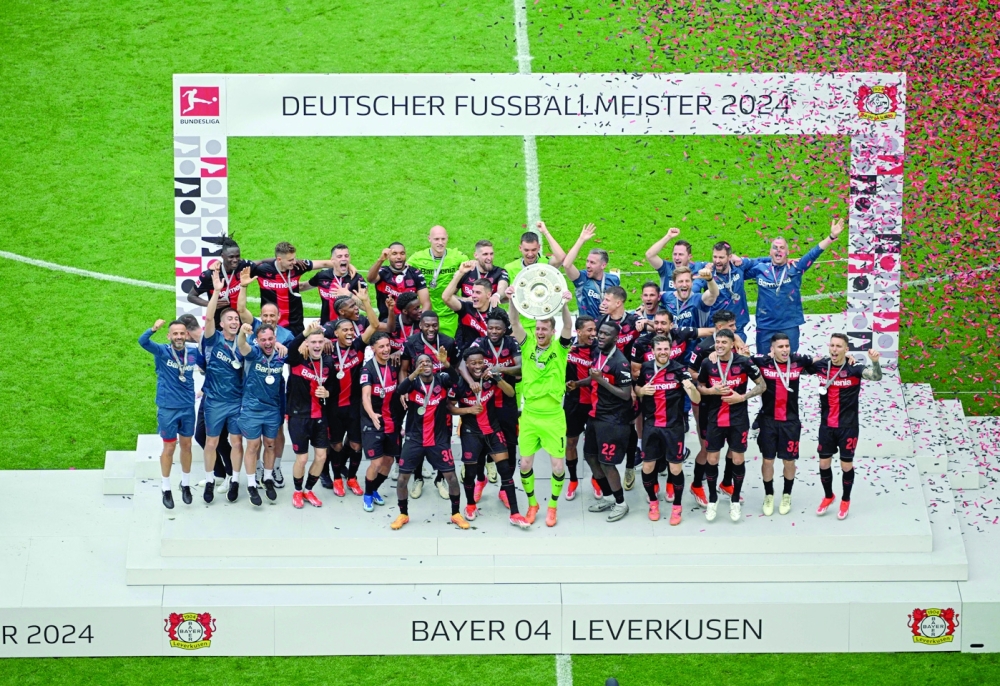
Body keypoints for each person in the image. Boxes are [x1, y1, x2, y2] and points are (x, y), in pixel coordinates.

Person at [507, 286, 574, 527]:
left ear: (552, 331)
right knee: (525, 464)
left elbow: (568, 326)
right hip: (530, 415)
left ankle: (553, 507)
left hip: (554, 416)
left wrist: (565, 304)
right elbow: (514, 321)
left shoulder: (560, 347)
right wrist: (512, 299)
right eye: (537, 328)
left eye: (544, 328)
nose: (540, 331)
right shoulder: (527, 346)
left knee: (558, 466)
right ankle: (533, 504)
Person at [740, 218, 845, 352]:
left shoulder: (795, 268)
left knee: (790, 361)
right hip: (765, 325)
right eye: (775, 248)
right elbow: (738, 272)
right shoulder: (760, 268)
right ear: (770, 252)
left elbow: (813, 254)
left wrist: (831, 237)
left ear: (788, 252)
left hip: (788, 325)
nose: (778, 251)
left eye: (782, 248)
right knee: (764, 362)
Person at [392, 353, 470, 531]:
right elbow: (400, 390)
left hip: (438, 440)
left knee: (451, 478)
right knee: (403, 479)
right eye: (421, 362)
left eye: (428, 361)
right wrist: (414, 373)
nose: (425, 364)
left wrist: (446, 363)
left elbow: (457, 380)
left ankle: (456, 513)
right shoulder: (412, 383)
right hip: (414, 439)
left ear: (434, 365)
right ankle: (403, 514)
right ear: (416, 367)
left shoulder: (441, 380)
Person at [696, 329, 765, 523]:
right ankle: (712, 499)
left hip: (738, 419)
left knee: (737, 459)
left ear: (732, 345)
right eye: (717, 342)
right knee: (712, 458)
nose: (719, 346)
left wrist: (742, 397)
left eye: (724, 343)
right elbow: (700, 386)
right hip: (715, 418)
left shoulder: (744, 363)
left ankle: (735, 499)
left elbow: (762, 386)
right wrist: (711, 391)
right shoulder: (707, 363)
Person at [814, 334, 883, 520]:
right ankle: (829, 496)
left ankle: (845, 500)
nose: (834, 349)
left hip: (848, 427)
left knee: (846, 466)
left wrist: (875, 362)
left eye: (839, 346)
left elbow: (876, 376)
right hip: (826, 426)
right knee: (823, 464)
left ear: (846, 350)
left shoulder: (854, 369)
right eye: (832, 345)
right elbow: (798, 366)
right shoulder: (821, 366)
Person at [236, 267, 294, 487]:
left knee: (275, 431)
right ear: (262, 316)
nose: (268, 318)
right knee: (255, 436)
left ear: (279, 316)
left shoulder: (287, 335)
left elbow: (292, 357)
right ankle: (259, 467)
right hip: (253, 385)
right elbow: (241, 309)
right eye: (265, 315)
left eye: (272, 315)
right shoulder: (259, 329)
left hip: (276, 389)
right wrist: (243, 286)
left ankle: (275, 466)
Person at [319, 286, 379, 497]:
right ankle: (337, 478)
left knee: (356, 444)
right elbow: (310, 341)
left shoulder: (358, 346)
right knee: (335, 445)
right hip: (333, 406)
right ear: (335, 333)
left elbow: (374, 325)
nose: (349, 333)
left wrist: (366, 302)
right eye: (344, 330)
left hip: (355, 405)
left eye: (351, 330)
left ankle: (352, 477)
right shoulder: (327, 351)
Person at [686, 310, 751, 505]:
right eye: (731, 327)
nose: (735, 330)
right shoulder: (703, 348)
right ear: (720, 328)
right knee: (708, 448)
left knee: (734, 447)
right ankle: (697, 485)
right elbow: (691, 373)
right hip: (710, 405)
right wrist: (711, 379)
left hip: (734, 406)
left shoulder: (736, 344)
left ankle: (726, 483)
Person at [634, 335, 701, 525]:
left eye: (666, 349)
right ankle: (653, 502)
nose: (663, 352)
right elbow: (638, 389)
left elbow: (696, 399)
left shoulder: (679, 370)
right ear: (653, 351)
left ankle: (677, 507)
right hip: (651, 425)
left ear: (670, 351)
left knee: (675, 468)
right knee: (648, 466)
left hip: (673, 427)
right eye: (659, 349)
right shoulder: (647, 368)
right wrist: (642, 391)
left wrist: (691, 388)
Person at [139, 319, 204, 509]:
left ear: (187, 335)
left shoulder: (193, 353)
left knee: (186, 446)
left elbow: (209, 369)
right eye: (175, 334)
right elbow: (142, 342)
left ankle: (185, 484)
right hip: (168, 408)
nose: (178, 337)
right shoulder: (162, 351)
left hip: (187, 407)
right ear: (169, 336)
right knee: (169, 448)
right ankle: (165, 487)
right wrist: (153, 329)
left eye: (182, 333)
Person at [751, 333, 817, 516]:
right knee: (768, 460)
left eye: (787, 346)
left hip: (791, 422)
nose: (785, 349)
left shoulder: (799, 360)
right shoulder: (762, 361)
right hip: (768, 421)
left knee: (789, 460)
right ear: (772, 349)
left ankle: (787, 494)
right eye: (780, 347)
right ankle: (769, 495)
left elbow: (822, 361)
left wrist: (848, 357)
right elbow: (739, 359)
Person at [450, 348, 518, 522]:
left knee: (505, 471)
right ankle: (471, 505)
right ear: (467, 365)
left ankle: (515, 513)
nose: (478, 366)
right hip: (471, 432)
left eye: (480, 362)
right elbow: (449, 407)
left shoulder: (489, 379)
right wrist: (468, 410)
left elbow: (511, 393)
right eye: (473, 363)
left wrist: (497, 377)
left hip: (493, 430)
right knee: (470, 473)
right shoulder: (459, 383)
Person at [578, 320, 635, 522]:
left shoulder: (621, 362)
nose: (600, 336)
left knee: (607, 463)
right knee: (590, 457)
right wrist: (576, 384)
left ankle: (621, 503)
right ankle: (608, 497)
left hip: (613, 420)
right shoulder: (598, 353)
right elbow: (594, 376)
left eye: (606, 334)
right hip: (595, 416)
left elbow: (626, 394)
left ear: (616, 338)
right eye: (600, 333)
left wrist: (601, 380)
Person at [399, 310, 459, 499]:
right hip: (418, 394)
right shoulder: (411, 342)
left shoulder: (448, 342)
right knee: (416, 437)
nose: (431, 329)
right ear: (420, 326)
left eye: (435, 325)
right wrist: (405, 390)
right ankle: (418, 478)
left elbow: (455, 370)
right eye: (427, 325)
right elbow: (403, 369)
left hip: (441, 397)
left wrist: (453, 393)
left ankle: (441, 478)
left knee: (443, 437)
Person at [462, 309, 522, 490]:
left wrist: (500, 369)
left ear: (505, 330)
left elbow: (520, 368)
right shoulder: (479, 342)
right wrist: (472, 381)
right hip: (485, 403)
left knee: (510, 445)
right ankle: (481, 479)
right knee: (481, 445)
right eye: (490, 328)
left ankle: (506, 487)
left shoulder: (511, 342)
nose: (494, 331)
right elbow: (461, 363)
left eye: (498, 328)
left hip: (506, 401)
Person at [200, 272, 246, 504]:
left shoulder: (243, 343)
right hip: (215, 401)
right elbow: (207, 320)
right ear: (221, 323)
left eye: (236, 319)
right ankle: (210, 480)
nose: (234, 321)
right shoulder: (212, 338)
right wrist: (217, 291)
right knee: (211, 442)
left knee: (237, 442)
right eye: (229, 319)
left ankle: (235, 480)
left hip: (236, 401)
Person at [235, 322, 287, 505]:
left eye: (270, 339)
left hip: (272, 409)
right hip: (251, 408)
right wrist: (242, 333)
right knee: (253, 445)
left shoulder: (281, 356)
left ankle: (267, 478)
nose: (267, 343)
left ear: (275, 339)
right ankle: (251, 484)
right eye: (263, 339)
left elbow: (298, 349)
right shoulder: (254, 354)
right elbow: (242, 345)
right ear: (257, 341)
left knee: (271, 444)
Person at [596, 285, 642, 490]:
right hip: (604, 382)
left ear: (619, 302)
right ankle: (602, 467)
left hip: (628, 382)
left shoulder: (634, 322)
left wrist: (634, 385)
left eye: (607, 299)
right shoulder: (600, 323)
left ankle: (630, 465)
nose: (603, 303)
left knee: (629, 425)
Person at [284, 322, 334, 509]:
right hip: (298, 416)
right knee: (302, 459)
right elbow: (290, 350)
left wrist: (327, 392)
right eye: (313, 341)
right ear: (307, 343)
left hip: (320, 416)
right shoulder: (298, 359)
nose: (317, 345)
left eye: (320, 341)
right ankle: (297, 492)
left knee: (321, 457)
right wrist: (303, 334)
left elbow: (333, 386)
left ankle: (308, 489)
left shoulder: (328, 362)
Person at [250, 241, 338, 335]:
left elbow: (324, 264)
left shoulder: (298, 266)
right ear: (279, 259)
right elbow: (242, 265)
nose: (294, 261)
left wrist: (348, 266)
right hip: (272, 324)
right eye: (290, 260)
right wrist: (265, 260)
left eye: (294, 258)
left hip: (295, 324)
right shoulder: (262, 270)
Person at [359, 332, 404, 512]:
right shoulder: (367, 369)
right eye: (381, 347)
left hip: (391, 421)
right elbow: (366, 395)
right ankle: (368, 495)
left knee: (389, 461)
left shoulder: (394, 364)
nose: (386, 349)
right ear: (373, 349)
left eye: (387, 346)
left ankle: (374, 489)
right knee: (376, 463)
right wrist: (371, 414)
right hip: (373, 422)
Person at [503, 222, 568, 333]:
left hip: (544, 326)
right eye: (526, 250)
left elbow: (561, 257)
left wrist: (545, 232)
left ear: (539, 247)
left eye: (533, 250)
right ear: (520, 248)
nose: (530, 254)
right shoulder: (510, 268)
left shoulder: (546, 264)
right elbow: (503, 297)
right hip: (521, 326)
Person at [408, 225, 468, 338]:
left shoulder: (458, 258)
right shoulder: (417, 259)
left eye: (443, 239)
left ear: (447, 238)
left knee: (449, 348)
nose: (440, 242)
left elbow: (472, 275)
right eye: (436, 239)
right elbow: (403, 273)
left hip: (450, 313)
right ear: (429, 239)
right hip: (427, 312)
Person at [563, 315, 597, 501]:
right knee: (571, 443)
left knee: (595, 446)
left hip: (595, 405)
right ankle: (573, 480)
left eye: (594, 330)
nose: (594, 334)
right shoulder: (568, 350)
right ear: (578, 331)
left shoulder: (600, 350)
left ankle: (596, 479)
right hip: (573, 405)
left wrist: (578, 383)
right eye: (589, 330)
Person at [186, 237, 253, 323]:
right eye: (231, 257)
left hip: (239, 322)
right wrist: (211, 304)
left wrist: (276, 259)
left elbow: (261, 262)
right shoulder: (210, 275)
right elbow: (191, 296)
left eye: (237, 256)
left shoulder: (243, 266)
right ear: (222, 256)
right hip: (218, 325)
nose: (235, 260)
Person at [563, 223, 620, 319]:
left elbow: (619, 303)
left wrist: (610, 307)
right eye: (587, 261)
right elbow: (567, 265)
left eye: (592, 263)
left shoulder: (614, 280)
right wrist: (581, 240)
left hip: (607, 328)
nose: (588, 265)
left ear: (603, 265)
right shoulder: (582, 278)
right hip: (587, 328)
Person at [301, 243, 366, 325]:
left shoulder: (356, 279)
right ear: (332, 260)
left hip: (349, 329)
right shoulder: (322, 276)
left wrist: (349, 295)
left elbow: (367, 307)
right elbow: (302, 286)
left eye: (346, 256)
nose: (344, 259)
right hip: (327, 327)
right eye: (339, 256)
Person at [367, 242, 431, 320]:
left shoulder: (415, 274)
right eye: (394, 253)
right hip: (387, 322)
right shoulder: (383, 272)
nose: (399, 257)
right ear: (388, 257)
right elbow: (370, 279)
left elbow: (426, 303)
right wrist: (380, 260)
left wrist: (420, 321)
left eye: (402, 253)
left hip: (410, 323)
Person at [706, 241, 752, 344]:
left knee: (739, 359)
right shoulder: (708, 272)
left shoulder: (739, 266)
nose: (717, 261)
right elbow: (694, 288)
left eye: (721, 257)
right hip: (717, 328)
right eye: (715, 257)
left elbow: (759, 262)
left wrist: (785, 260)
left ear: (729, 257)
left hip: (738, 328)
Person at [442, 265, 493, 352]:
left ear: (488, 295)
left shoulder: (496, 313)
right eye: (473, 292)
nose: (473, 295)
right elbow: (446, 298)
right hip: (467, 357)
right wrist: (461, 273)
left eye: (478, 292)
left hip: (489, 357)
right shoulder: (466, 307)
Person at [644, 227, 708, 292]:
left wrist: (709, 268)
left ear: (689, 256)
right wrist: (668, 236)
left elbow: (716, 264)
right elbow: (649, 255)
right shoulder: (666, 268)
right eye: (675, 254)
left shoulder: (698, 267)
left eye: (680, 254)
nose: (677, 258)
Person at [660, 265, 720, 330]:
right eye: (681, 281)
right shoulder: (667, 297)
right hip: (673, 339)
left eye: (687, 281)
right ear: (674, 284)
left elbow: (714, 293)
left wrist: (709, 279)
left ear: (692, 283)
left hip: (697, 339)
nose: (684, 284)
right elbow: (651, 296)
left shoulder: (699, 299)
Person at [457, 240, 509, 308]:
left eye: (491, 254)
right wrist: (466, 300)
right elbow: (449, 296)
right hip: (468, 316)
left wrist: (497, 295)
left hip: (490, 317)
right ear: (476, 255)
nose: (489, 258)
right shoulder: (466, 271)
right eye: (485, 254)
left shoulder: (500, 272)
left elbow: (502, 288)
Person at [387, 292, 421, 361]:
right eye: (416, 309)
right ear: (405, 311)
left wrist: (402, 351)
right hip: (393, 362)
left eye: (419, 307)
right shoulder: (393, 323)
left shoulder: (422, 323)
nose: (420, 310)